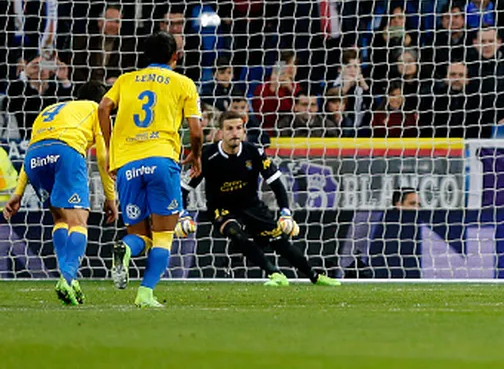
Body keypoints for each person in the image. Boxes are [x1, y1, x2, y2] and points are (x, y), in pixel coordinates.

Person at [98, 31, 203, 308]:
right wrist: (196, 154)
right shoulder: (184, 83)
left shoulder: (125, 80)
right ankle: (145, 293)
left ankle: (125, 250)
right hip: (161, 161)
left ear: (146, 56)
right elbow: (196, 130)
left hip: (127, 165)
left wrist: (110, 149)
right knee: (164, 235)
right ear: (175, 56)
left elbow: (103, 107)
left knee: (139, 236)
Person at [180, 111, 340, 287]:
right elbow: (184, 189)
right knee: (237, 235)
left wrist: (285, 212)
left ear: (244, 130)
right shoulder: (206, 155)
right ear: (221, 132)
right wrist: (183, 214)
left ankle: (315, 276)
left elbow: (276, 183)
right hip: (222, 208)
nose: (235, 132)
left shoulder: (254, 152)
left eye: (239, 128)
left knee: (279, 241)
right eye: (229, 128)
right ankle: (275, 273)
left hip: (251, 206)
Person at [2, 81, 118, 306]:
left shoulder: (51, 110)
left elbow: (32, 149)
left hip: (34, 159)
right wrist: (110, 197)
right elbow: (103, 156)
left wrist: (18, 193)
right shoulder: (97, 110)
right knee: (78, 220)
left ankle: (69, 279)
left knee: (60, 218)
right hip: (65, 152)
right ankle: (67, 278)